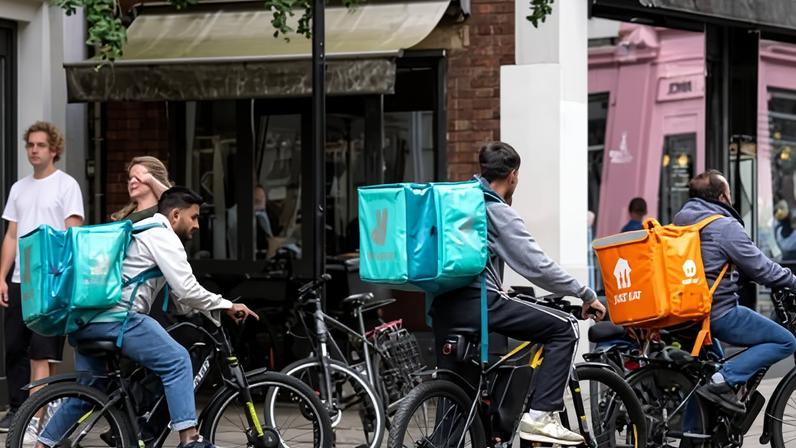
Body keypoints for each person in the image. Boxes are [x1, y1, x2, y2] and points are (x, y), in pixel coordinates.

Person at [36, 187, 258, 448]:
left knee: (89, 393)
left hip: (87, 322)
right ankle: (190, 439)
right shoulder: (162, 237)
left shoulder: (141, 230)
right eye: (194, 217)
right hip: (119, 320)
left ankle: (43, 445)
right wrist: (227, 305)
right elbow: (188, 289)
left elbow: (180, 297)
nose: (197, 225)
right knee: (177, 361)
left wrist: (206, 310)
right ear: (175, 215)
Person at [430, 141, 606, 446]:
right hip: (480, 303)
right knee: (564, 328)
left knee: (458, 401)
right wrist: (585, 292)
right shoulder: (495, 210)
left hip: (443, 306)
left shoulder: (458, 203)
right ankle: (539, 418)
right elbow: (536, 266)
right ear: (513, 175)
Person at [673, 170, 796, 413]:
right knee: (785, 340)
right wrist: (792, 281)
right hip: (718, 312)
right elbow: (762, 269)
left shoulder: (678, 223)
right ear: (721, 198)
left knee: (703, 375)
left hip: (685, 314)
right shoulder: (723, 226)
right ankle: (723, 380)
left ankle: (694, 436)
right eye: (729, 195)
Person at [0, 121, 84, 431]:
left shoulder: (66, 185)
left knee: (42, 351)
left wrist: (63, 278)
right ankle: (19, 410)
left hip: (50, 282)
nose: (34, 150)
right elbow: (11, 235)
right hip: (20, 281)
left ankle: (38, 415)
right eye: (30, 145)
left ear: (54, 150)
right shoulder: (19, 188)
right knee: (13, 347)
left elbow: (72, 234)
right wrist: (1, 277)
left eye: (40, 145)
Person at [110, 156, 172, 223]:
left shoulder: (166, 212)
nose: (132, 181)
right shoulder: (123, 215)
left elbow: (174, 202)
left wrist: (151, 180)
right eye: (130, 178)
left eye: (138, 177)